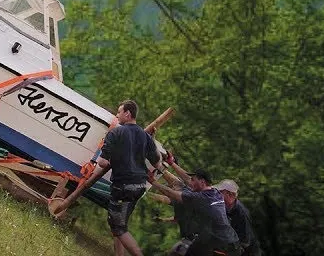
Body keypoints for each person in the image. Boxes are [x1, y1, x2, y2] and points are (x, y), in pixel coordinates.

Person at [80, 100, 161, 256]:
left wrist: (115, 159)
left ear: (127, 113)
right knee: (120, 223)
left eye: (119, 112)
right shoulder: (145, 136)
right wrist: (151, 142)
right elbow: (157, 163)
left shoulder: (115, 133)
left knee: (118, 227)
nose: (117, 116)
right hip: (140, 186)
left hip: (123, 186)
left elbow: (102, 162)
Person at [149, 167, 242, 256]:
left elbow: (171, 193)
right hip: (232, 242)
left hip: (222, 246)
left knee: (179, 252)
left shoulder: (198, 198)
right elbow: (184, 182)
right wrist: (170, 164)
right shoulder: (215, 192)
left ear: (202, 182)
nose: (191, 182)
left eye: (193, 180)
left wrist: (152, 181)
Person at [217, 180, 258, 256]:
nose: (217, 195)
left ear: (229, 194)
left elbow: (245, 241)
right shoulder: (225, 208)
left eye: (220, 192)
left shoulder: (241, 213)